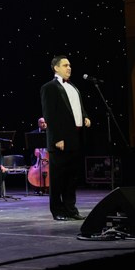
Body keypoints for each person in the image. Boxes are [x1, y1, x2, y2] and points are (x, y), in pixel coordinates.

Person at [40, 55, 91, 221]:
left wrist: (84, 116)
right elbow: (50, 115)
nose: (69, 68)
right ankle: (58, 210)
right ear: (56, 68)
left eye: (70, 65)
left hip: (75, 137)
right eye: (65, 65)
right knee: (58, 178)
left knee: (72, 177)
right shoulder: (49, 87)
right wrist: (57, 138)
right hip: (60, 140)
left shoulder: (74, 87)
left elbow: (77, 107)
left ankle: (71, 208)